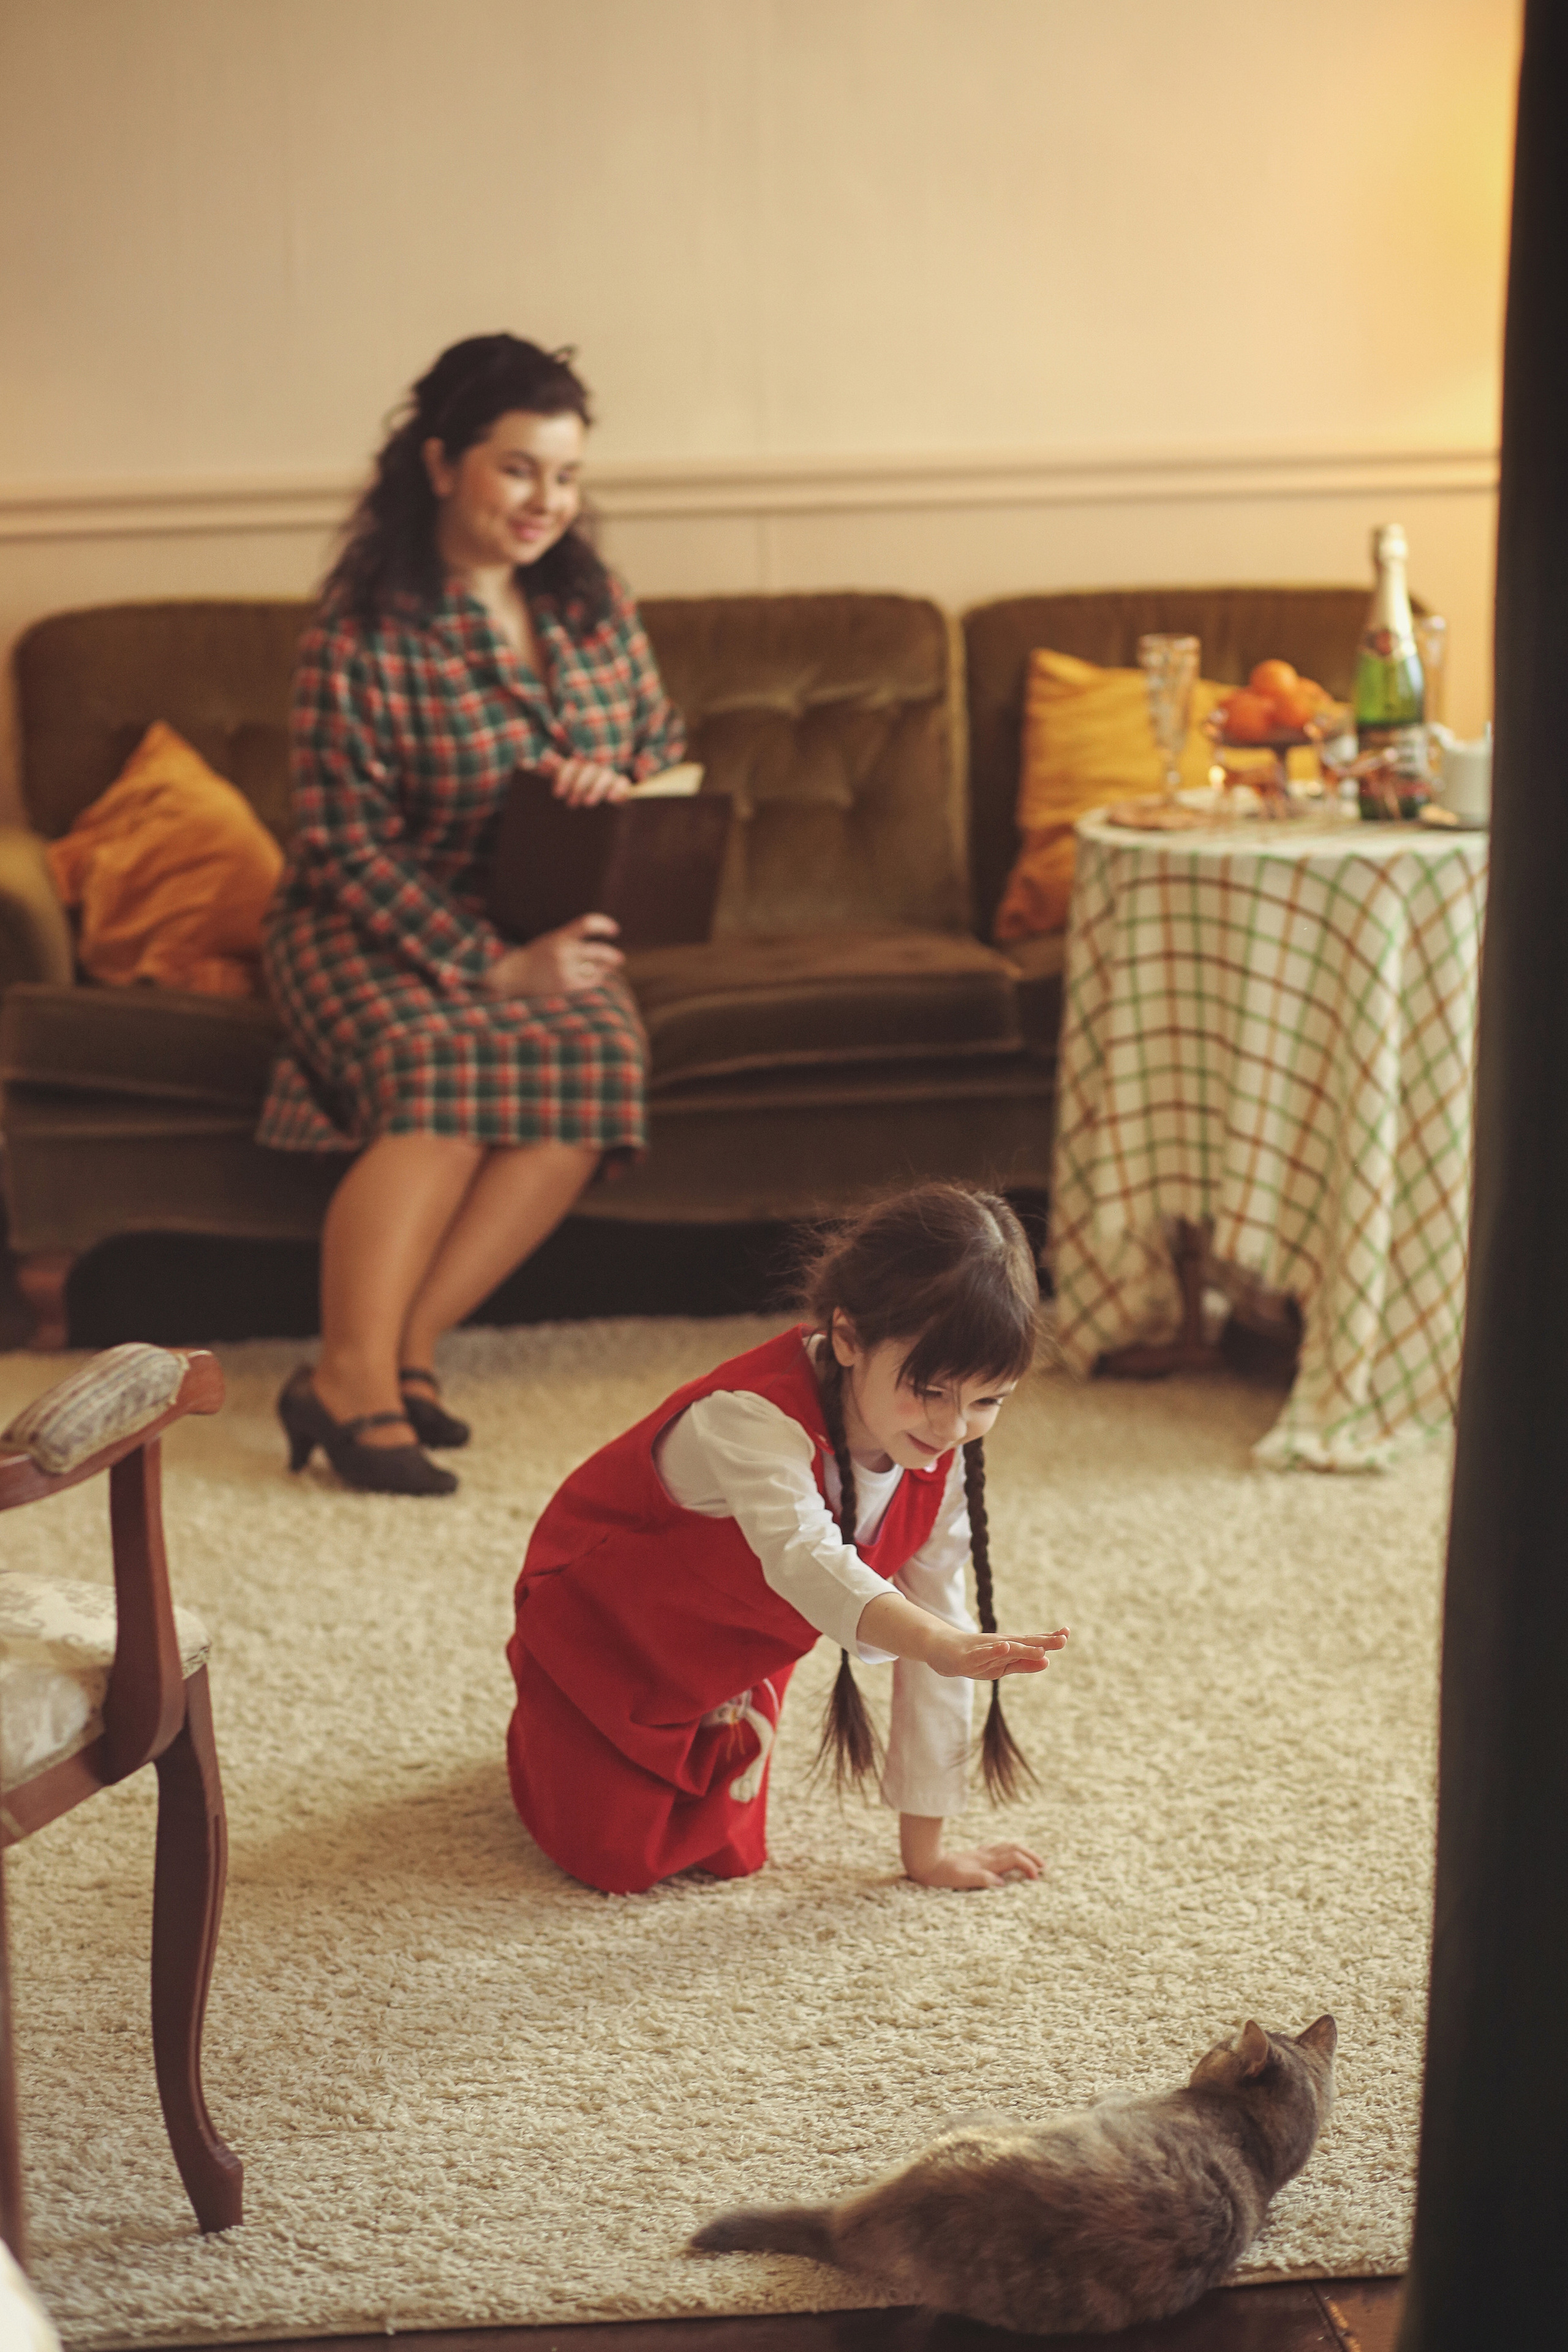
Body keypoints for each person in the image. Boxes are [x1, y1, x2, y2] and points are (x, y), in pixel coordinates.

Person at [260, 334, 685, 1496]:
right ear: (443, 464)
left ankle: (402, 1349)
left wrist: (620, 782)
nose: (547, 501)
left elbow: (657, 746)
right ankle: (350, 1373)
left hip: (551, 930)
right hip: (369, 925)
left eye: (566, 476)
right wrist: (489, 968)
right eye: (518, 470)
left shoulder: (595, 608)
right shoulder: (360, 635)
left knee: (601, 1057)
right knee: (443, 1077)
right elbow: (343, 842)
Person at [506, 1185, 1071, 1894]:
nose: (953, 1427)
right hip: (604, 1634)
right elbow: (806, 1558)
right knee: (614, 1862)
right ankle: (545, 1712)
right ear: (847, 1337)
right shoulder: (749, 1417)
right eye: (931, 1390)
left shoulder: (939, 1454)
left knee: (726, 1853)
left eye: (987, 1400)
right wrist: (932, 1642)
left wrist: (925, 1856)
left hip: (733, 1649)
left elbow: (943, 1629)